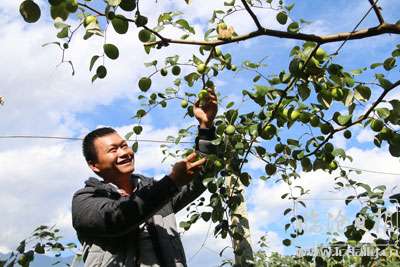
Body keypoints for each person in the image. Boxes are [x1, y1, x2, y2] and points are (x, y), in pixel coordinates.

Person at [71, 88, 218, 267]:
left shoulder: (157, 194)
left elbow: (202, 176)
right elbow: (117, 218)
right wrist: (171, 182)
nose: (124, 153)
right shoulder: (86, 200)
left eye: (124, 146)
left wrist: (206, 127)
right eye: (113, 150)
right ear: (94, 165)